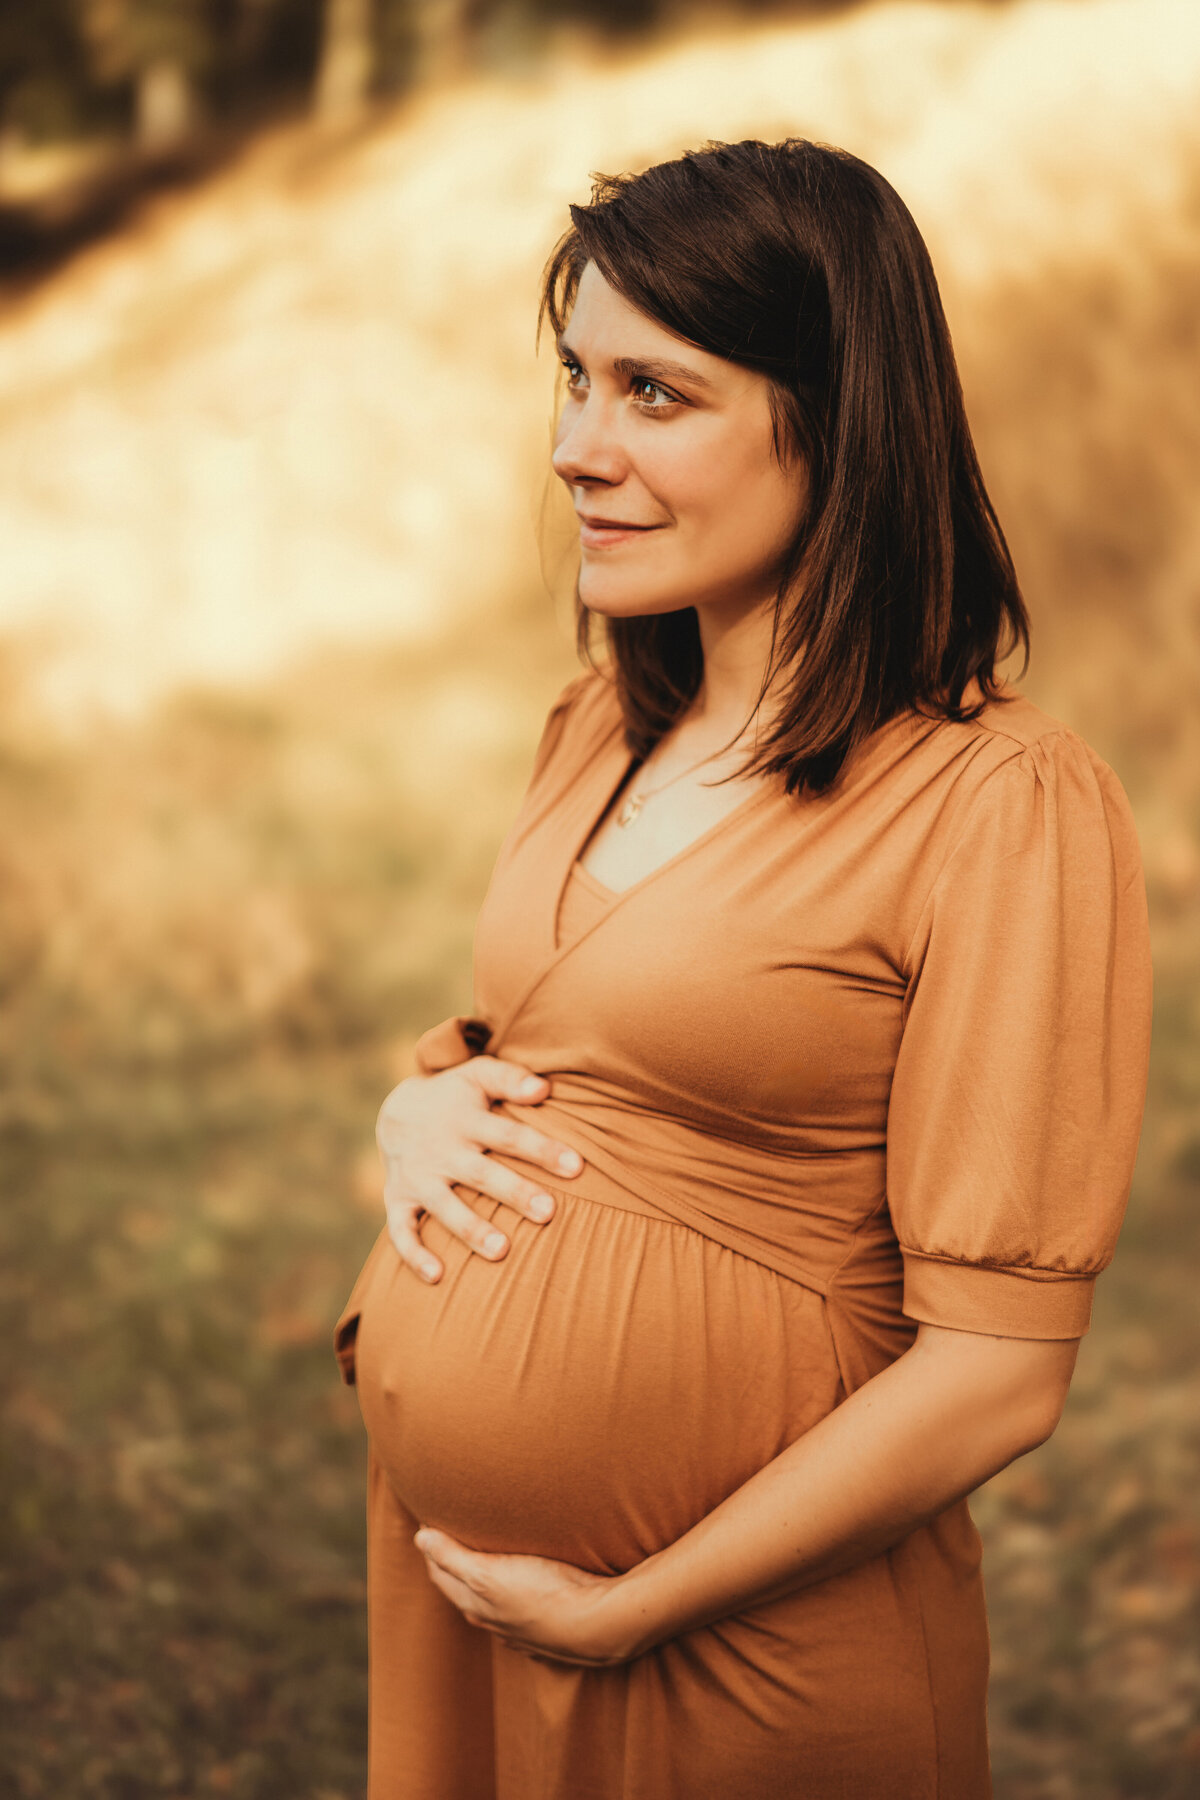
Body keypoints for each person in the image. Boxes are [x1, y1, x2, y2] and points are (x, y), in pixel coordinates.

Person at [333, 138, 1153, 1799]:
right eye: (576, 379)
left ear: (836, 422)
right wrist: (414, 1112)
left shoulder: (998, 804)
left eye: (656, 393)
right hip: (467, 1609)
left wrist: (632, 1608)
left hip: (745, 1653)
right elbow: (576, 1047)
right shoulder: (599, 727)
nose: (575, 448)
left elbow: (997, 1373)